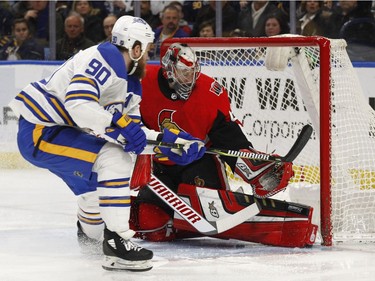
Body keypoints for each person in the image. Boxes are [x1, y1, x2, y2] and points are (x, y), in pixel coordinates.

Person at [8, 16, 205, 272]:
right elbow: (79, 104)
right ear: (135, 48)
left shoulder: (131, 82)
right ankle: (118, 242)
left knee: (94, 190)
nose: (147, 55)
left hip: (62, 132)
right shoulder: (106, 57)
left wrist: (172, 143)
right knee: (113, 158)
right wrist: (119, 123)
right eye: (146, 48)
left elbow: (132, 136)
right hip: (41, 130)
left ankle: (93, 237)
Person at [131, 42, 317, 247]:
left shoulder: (209, 93)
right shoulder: (142, 82)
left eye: (193, 72)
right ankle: (176, 223)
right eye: (184, 72)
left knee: (207, 211)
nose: (189, 78)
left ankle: (188, 220)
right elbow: (132, 125)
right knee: (150, 226)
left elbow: (229, 139)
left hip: (198, 164)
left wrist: (255, 170)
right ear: (168, 70)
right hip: (158, 169)